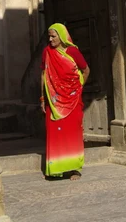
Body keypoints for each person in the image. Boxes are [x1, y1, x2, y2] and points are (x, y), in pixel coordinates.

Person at [40, 22, 90, 180]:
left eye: (53, 36)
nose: (50, 39)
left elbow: (86, 70)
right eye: (49, 36)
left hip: (73, 100)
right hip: (53, 100)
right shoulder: (47, 52)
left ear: (61, 37)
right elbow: (43, 75)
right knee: (54, 132)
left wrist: (78, 88)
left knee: (72, 133)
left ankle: (74, 169)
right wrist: (42, 98)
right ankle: (56, 168)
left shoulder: (73, 52)